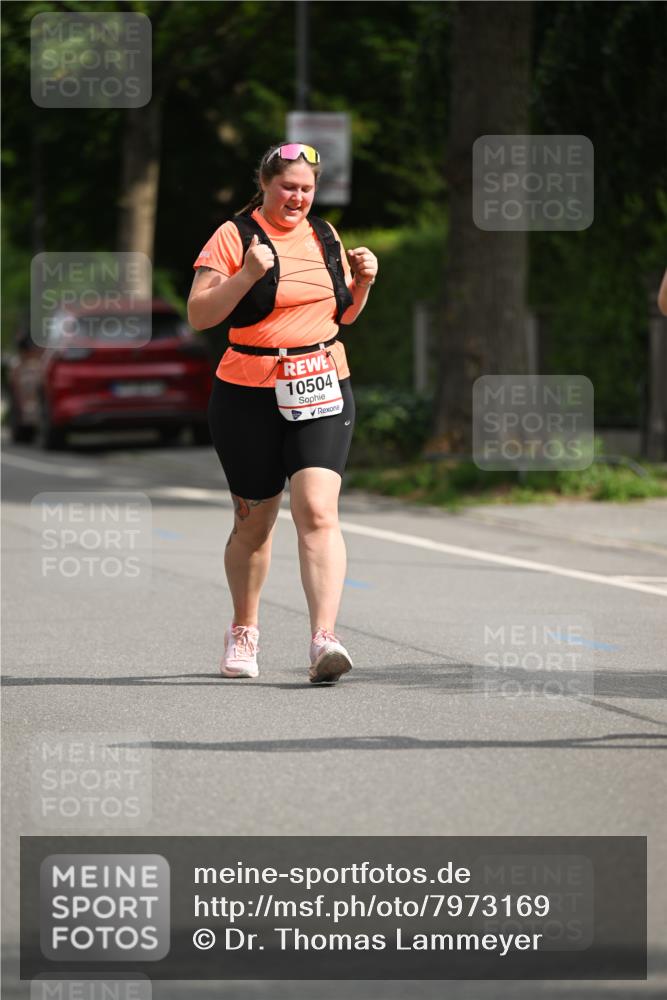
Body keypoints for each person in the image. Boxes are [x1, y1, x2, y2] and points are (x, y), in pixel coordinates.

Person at [187, 142, 378, 684]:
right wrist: (245, 275)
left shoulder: (325, 235)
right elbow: (200, 314)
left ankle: (325, 640)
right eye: (288, 187)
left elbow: (342, 313)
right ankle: (244, 629)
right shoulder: (235, 235)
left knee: (318, 510)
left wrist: (362, 281)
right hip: (248, 390)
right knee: (255, 524)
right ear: (266, 184)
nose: (297, 198)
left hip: (322, 381)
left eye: (306, 189)